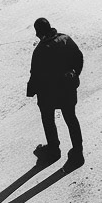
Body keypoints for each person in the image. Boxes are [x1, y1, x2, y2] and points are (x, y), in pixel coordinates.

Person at [26, 18, 84, 167]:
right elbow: (79, 57)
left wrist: (31, 91)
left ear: (38, 33)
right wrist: (74, 74)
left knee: (48, 118)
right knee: (71, 118)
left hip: (49, 94)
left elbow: (36, 75)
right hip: (67, 89)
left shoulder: (40, 51)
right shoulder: (66, 39)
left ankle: (53, 150)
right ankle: (78, 153)